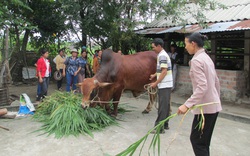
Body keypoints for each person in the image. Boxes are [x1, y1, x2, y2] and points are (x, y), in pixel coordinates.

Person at [177, 32, 222, 156]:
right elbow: (216, 81)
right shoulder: (206, 58)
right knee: (203, 142)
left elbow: (202, 86)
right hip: (213, 106)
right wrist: (216, 100)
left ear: (193, 43)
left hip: (205, 109)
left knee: (197, 141)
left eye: (186, 43)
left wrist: (187, 105)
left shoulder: (196, 61)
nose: (185, 47)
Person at [149, 38, 173, 134]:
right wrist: (154, 75)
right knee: (166, 105)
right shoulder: (162, 54)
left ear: (159, 46)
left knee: (162, 106)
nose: (153, 49)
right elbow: (162, 69)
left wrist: (155, 83)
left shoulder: (162, 55)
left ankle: (159, 128)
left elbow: (164, 71)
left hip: (164, 84)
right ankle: (165, 124)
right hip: (167, 83)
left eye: (153, 47)